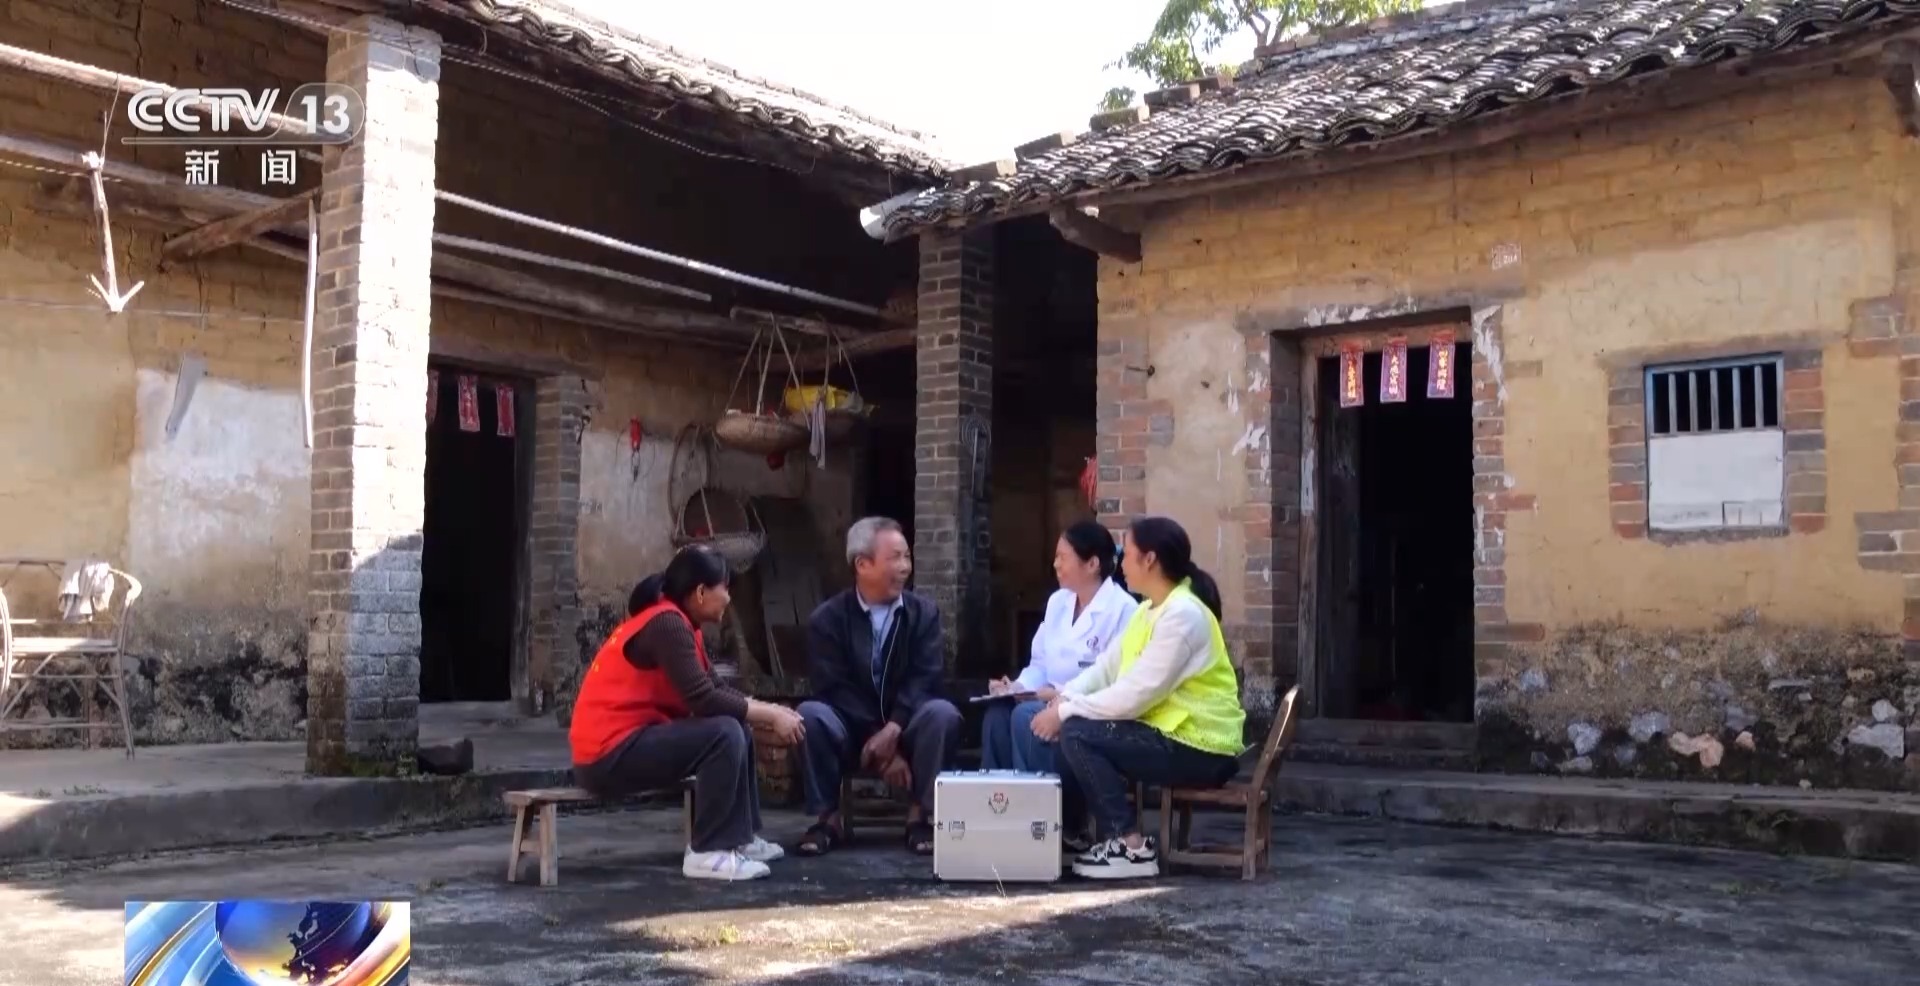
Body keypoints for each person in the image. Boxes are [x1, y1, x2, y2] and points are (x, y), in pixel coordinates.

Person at [568, 545, 808, 882]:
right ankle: (708, 851)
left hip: (630, 742)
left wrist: (770, 709)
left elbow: (716, 689)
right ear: (700, 592)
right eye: (725, 588)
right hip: (606, 755)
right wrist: (770, 716)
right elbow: (703, 699)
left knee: (736, 725)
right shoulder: (666, 624)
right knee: (723, 733)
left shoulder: (682, 625)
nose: (728, 598)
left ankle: (740, 838)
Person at [1028, 516, 1247, 880]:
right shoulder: (1148, 610)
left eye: (1126, 554)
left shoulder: (1183, 615)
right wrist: (1065, 698)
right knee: (1074, 727)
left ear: (1149, 560)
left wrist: (1066, 711)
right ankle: (1077, 833)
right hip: (1171, 736)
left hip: (1202, 748)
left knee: (1078, 733)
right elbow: (1106, 668)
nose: (1120, 563)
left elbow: (1136, 694)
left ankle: (1129, 845)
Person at [794, 516, 962, 857]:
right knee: (809, 715)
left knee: (942, 714)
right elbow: (833, 687)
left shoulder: (923, 614)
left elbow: (926, 677)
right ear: (862, 564)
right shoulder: (827, 619)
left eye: (907, 557)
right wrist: (882, 745)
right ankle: (828, 819)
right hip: (852, 730)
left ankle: (920, 816)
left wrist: (894, 729)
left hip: (907, 725)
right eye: (895, 558)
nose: (904, 567)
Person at [981, 520, 1138, 776]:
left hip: (1087, 708)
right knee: (997, 714)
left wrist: (1058, 695)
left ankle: (1038, 797)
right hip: (1045, 699)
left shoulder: (1123, 610)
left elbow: (1113, 680)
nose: (1055, 565)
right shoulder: (1058, 602)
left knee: (1026, 715)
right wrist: (1017, 688)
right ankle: (996, 796)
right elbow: (1040, 663)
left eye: (1062, 557)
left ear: (1092, 564)